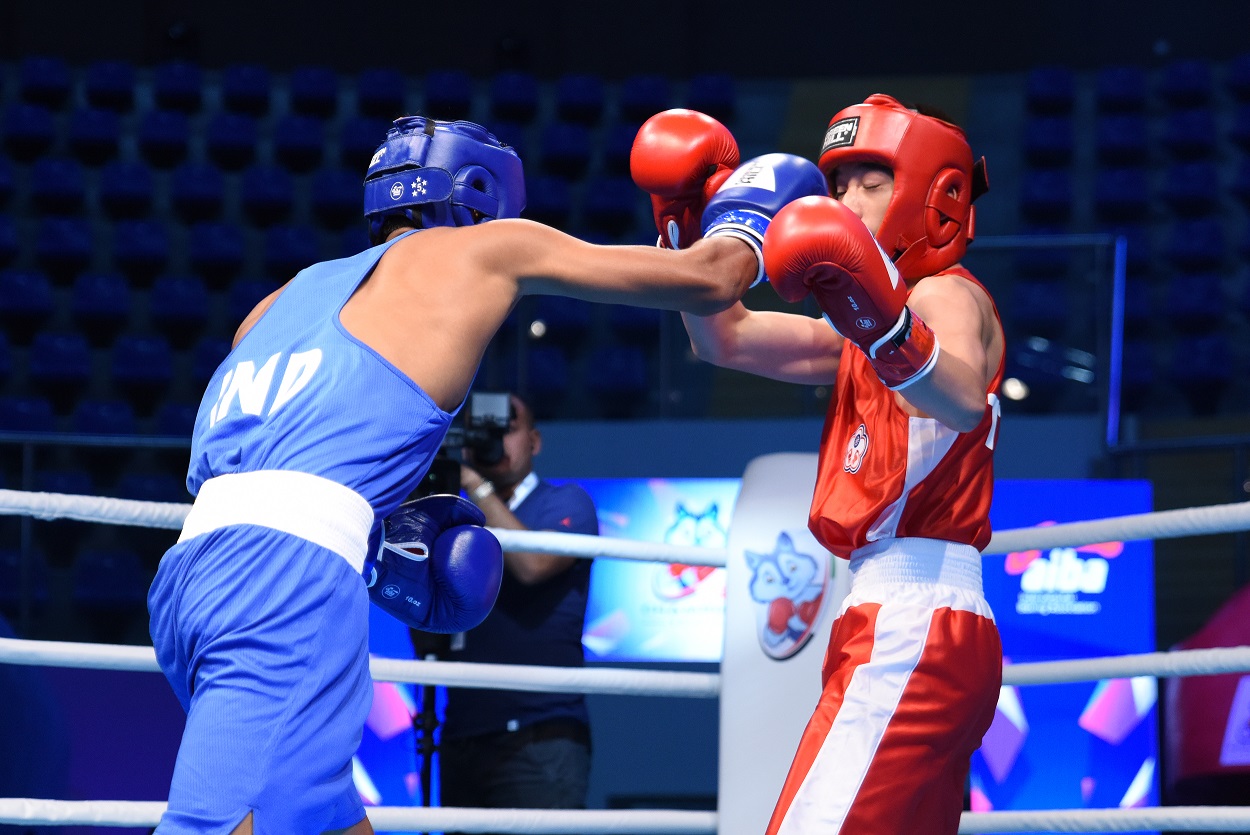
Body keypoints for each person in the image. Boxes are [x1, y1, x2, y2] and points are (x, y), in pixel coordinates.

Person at [146, 114, 826, 835]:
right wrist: (748, 213)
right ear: (482, 193)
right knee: (215, 823)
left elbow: (281, 467)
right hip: (282, 580)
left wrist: (374, 548)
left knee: (324, 815)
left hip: (192, 577)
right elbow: (710, 279)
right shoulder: (485, 250)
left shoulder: (274, 305)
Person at [632, 95, 1003, 834]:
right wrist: (683, 225)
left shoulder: (943, 293)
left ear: (934, 195)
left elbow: (959, 396)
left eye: (871, 180)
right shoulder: (859, 336)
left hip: (915, 615)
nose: (845, 200)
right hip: (895, 615)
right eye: (838, 183)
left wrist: (887, 322)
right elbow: (725, 340)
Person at [435, 392, 599, 822]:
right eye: (481, 431)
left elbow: (533, 564)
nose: (494, 441)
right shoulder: (453, 515)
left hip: (539, 737)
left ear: (535, 441)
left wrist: (474, 484)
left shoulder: (567, 502)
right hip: (462, 735)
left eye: (507, 429)